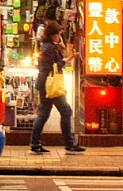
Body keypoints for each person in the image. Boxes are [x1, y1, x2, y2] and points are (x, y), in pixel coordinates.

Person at [31, 23, 85, 154]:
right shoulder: (48, 48)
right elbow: (52, 66)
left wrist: (60, 50)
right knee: (66, 111)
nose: (59, 37)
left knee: (44, 113)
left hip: (46, 84)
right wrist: (67, 59)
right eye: (58, 35)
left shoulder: (49, 46)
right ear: (53, 35)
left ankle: (35, 143)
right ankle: (69, 144)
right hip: (51, 85)